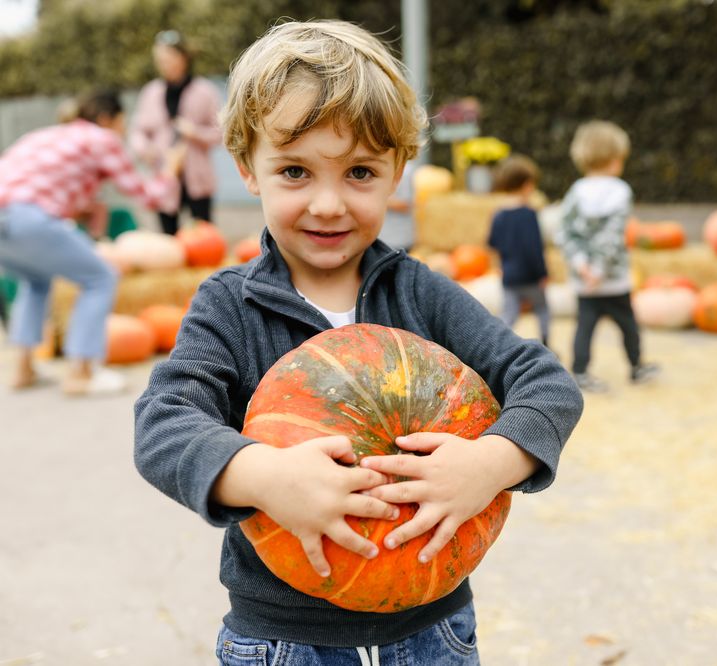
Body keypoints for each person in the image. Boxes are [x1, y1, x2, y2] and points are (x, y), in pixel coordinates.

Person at [132, 20, 583, 664]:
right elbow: (164, 423)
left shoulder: (421, 293)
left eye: (360, 172)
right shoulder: (230, 306)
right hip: (284, 639)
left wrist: (491, 464)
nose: (328, 204)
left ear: (398, 172)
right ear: (248, 169)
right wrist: (263, 475)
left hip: (433, 630)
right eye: (295, 171)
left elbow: (547, 383)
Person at [0, 90, 182, 395]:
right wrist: (170, 171)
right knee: (100, 277)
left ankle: (23, 369)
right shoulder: (102, 138)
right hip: (28, 217)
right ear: (106, 119)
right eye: (122, 123)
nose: (123, 132)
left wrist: (85, 209)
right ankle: (81, 373)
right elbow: (148, 195)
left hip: (8, 219)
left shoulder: (49, 134)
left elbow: (44, 188)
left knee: (36, 280)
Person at [557, 120, 659, 393]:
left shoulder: (576, 192)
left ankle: (580, 372)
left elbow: (564, 231)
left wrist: (582, 265)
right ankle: (636, 367)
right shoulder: (620, 191)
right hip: (613, 279)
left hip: (584, 280)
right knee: (628, 325)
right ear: (615, 160)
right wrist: (600, 270)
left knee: (584, 327)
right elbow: (613, 236)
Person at [129, 29, 222, 235]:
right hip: (164, 173)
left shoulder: (205, 91)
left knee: (203, 233)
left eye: (170, 58)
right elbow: (137, 131)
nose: (166, 64)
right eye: (161, 60)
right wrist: (145, 149)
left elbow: (221, 133)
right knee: (167, 235)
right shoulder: (151, 92)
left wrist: (194, 132)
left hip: (197, 177)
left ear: (184, 58)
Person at [487, 154, 551, 346]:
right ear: (526, 184)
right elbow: (534, 248)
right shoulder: (529, 214)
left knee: (509, 313)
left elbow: (492, 244)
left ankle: (497, 344)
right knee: (542, 309)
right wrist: (542, 273)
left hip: (509, 275)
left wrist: (500, 266)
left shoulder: (498, 215)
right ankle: (546, 342)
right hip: (530, 276)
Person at [377, 159, 416, 251]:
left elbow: (406, 204)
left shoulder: (406, 172)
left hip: (398, 238)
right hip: (385, 237)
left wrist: (378, 198)